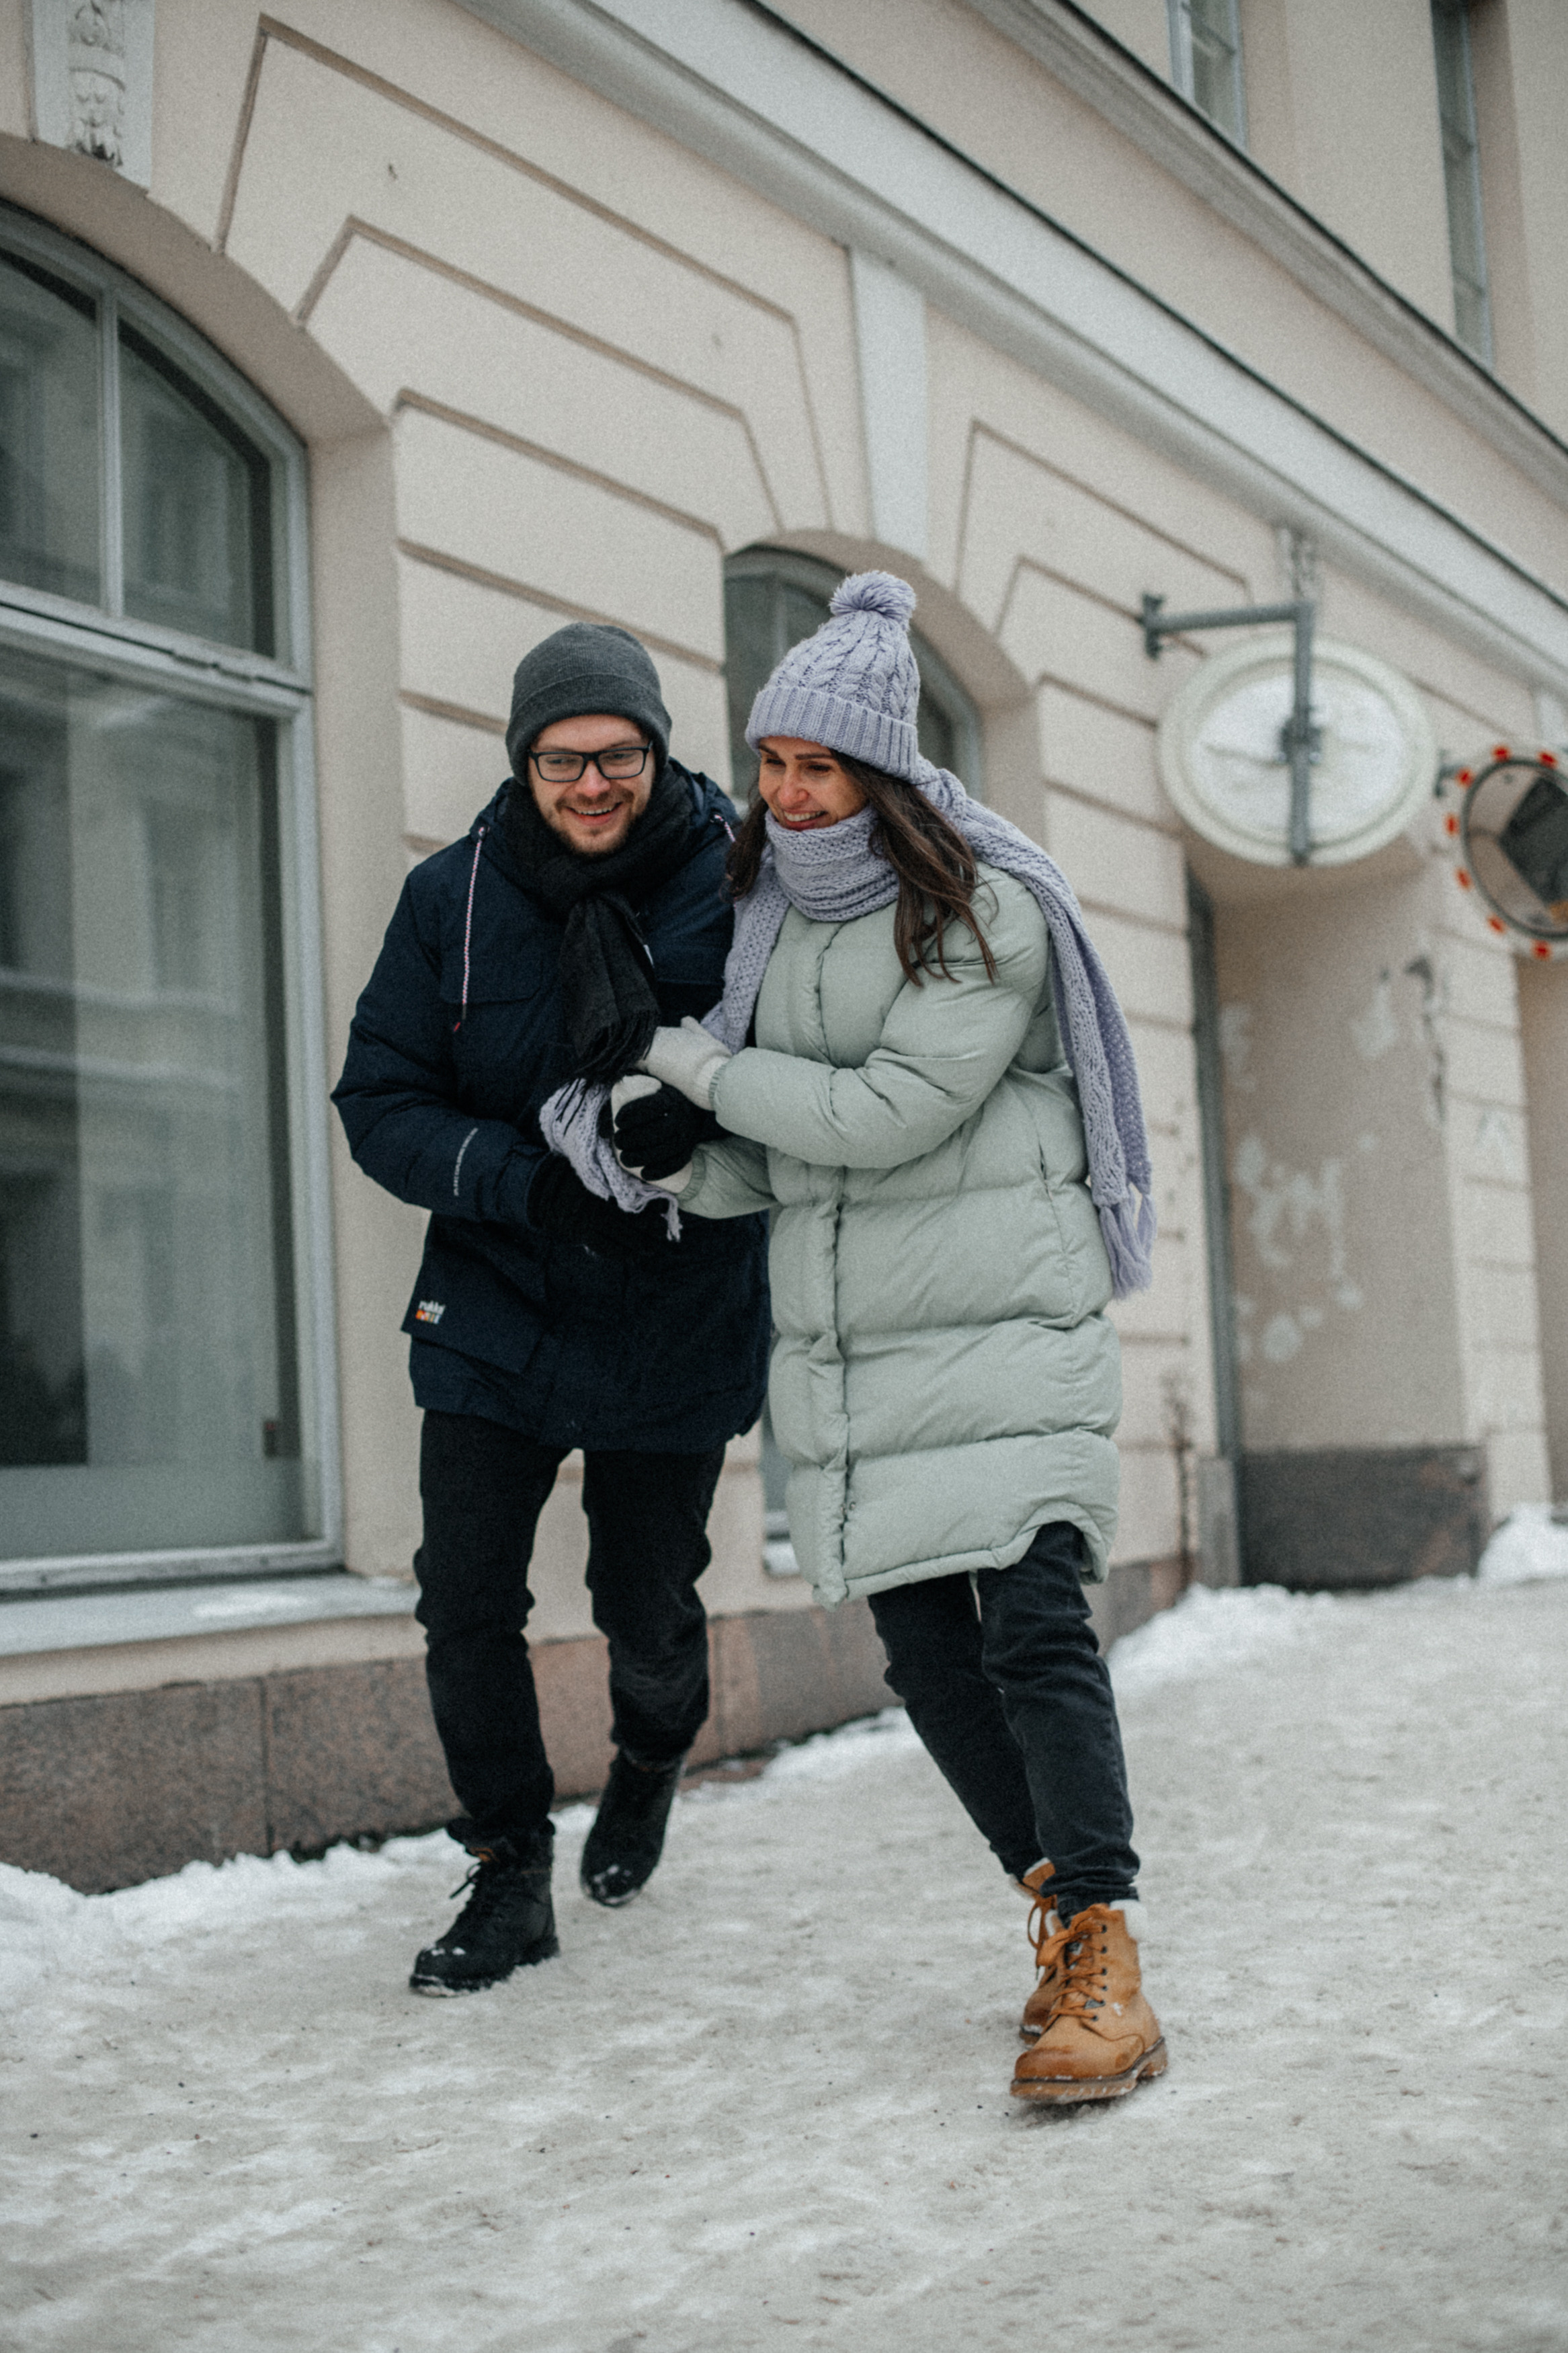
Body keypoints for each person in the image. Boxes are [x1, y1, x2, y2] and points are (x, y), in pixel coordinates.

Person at [608, 573, 1164, 2103]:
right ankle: (1057, 1912)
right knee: (929, 1656)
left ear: (884, 773)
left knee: (1036, 1625)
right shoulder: (765, 927)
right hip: (864, 1347)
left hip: (1007, 1318)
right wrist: (650, 1142)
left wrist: (704, 1079)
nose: (788, 795)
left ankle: (1109, 1956)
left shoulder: (983, 910)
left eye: (821, 767)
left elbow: (885, 1114)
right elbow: (786, 1157)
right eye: (774, 762)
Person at [333, 622, 769, 1996]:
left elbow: (800, 1066)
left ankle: (648, 1761)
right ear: (522, 760)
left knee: (645, 1602)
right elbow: (381, 1100)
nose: (593, 783)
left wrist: (693, 1128)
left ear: (657, 749)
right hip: (497, 1298)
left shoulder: (739, 880)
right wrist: (525, 1179)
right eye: (563, 756)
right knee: (463, 1598)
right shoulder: (448, 900)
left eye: (618, 754)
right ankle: (509, 1867)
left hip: (674, 1302)